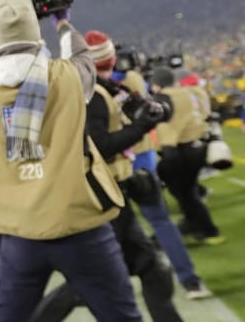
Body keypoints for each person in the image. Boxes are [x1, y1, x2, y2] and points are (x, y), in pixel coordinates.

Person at [0, 0, 141, 322]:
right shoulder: (66, 76)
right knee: (122, 316)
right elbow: (83, 58)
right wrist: (62, 22)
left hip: (20, 233)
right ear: (35, 34)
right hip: (80, 225)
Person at [31, 30, 183, 322]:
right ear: (112, 57)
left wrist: (149, 115)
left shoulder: (104, 89)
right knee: (89, 282)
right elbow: (99, 145)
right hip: (103, 195)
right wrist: (139, 129)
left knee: (150, 267)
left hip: (113, 193)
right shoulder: (95, 95)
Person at [114, 43, 212, 300]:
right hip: (143, 160)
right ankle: (191, 282)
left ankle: (111, 292)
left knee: (108, 232)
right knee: (161, 222)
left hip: (114, 164)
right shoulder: (134, 78)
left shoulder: (92, 83)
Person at [150, 67, 225, 245]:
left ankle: (207, 230)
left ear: (157, 84)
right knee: (186, 192)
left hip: (180, 151)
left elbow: (166, 129)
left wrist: (166, 156)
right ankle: (195, 224)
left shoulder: (163, 98)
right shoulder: (187, 93)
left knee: (185, 193)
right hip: (197, 146)